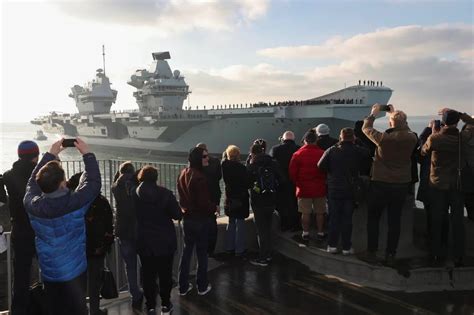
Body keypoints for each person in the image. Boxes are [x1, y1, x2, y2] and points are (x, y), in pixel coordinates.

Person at [23, 138, 101, 315]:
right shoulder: (76, 203)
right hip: (76, 271)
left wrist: (50, 155)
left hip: (49, 272)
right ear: (62, 183)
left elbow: (31, 184)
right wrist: (87, 155)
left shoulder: (31, 205)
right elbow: (93, 184)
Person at [362, 104, 418, 264]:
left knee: (373, 219)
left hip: (380, 183)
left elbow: (366, 128)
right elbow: (404, 127)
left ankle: (371, 252)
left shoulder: (383, 139)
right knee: (395, 221)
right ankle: (390, 254)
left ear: (390, 124)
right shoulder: (412, 138)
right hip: (400, 184)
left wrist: (373, 114)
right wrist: (395, 114)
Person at [421, 109, 474, 266]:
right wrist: (460, 114)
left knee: (438, 220)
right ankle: (459, 255)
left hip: (438, 185)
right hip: (457, 185)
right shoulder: (462, 138)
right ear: (457, 122)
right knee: (458, 221)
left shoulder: (435, 138)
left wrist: (432, 132)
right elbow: (472, 123)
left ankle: (437, 254)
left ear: (443, 122)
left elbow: (424, 151)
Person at [133, 166, 182, 315]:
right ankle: (166, 304)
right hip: (164, 241)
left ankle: (150, 306)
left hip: (144, 241)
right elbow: (177, 215)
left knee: (148, 275)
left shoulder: (134, 194)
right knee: (165, 274)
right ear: (156, 177)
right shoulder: (165, 194)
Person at [318, 128, 370, 255]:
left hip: (334, 189)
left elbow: (320, 165)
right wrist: (358, 142)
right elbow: (368, 153)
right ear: (353, 138)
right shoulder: (358, 150)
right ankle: (347, 247)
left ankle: (332, 246)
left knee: (334, 218)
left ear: (340, 137)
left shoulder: (332, 150)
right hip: (350, 190)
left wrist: (331, 171)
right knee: (347, 220)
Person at [68, 172, 114, 315]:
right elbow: (108, 227)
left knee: (78, 283)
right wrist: (106, 246)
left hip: (78, 249)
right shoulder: (103, 202)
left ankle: (80, 310)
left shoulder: (74, 201)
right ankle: (95, 310)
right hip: (96, 250)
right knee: (94, 282)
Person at [2, 140, 39, 315]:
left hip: (20, 230)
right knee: (50, 270)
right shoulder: (40, 174)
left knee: (21, 275)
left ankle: (18, 310)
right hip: (41, 229)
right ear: (35, 155)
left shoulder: (8, 175)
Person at [177, 147, 217, 296]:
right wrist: (214, 207)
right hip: (200, 220)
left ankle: (182, 286)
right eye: (205, 156)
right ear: (198, 159)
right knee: (202, 253)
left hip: (187, 219)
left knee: (186, 253)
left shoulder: (183, 173)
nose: (208, 159)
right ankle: (202, 285)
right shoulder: (200, 177)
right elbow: (203, 203)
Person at [111, 161, 143, 311]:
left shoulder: (115, 186)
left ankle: (134, 292)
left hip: (123, 229)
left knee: (129, 264)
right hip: (138, 228)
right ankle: (147, 287)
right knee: (144, 260)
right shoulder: (136, 186)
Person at [247, 143, 281, 267]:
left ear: (252, 153)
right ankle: (269, 253)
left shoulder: (253, 166)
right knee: (269, 227)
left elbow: (246, 182)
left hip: (258, 202)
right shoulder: (273, 162)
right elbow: (281, 179)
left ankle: (263, 257)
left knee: (261, 230)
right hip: (271, 200)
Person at [289, 130, 327, 242]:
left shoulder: (297, 154)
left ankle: (305, 233)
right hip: (320, 188)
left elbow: (292, 173)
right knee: (320, 212)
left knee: (305, 213)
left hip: (303, 188)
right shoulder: (323, 153)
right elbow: (326, 170)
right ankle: (320, 232)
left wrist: (298, 183)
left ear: (305, 141)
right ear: (316, 141)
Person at [221, 145, 250, 257]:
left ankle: (229, 247)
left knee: (231, 222)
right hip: (240, 198)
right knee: (240, 224)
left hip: (229, 198)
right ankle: (239, 249)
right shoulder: (241, 168)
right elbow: (246, 183)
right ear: (238, 155)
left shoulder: (224, 166)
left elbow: (224, 159)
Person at [269, 131, 300, 231]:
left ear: (283, 139)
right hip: (295, 182)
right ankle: (296, 225)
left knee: (281, 205)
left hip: (280, 182)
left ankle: (283, 225)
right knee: (295, 204)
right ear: (293, 139)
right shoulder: (299, 149)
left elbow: (270, 163)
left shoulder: (275, 149)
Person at [196, 143, 222, 256]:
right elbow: (219, 176)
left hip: (201, 197)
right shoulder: (215, 161)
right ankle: (211, 250)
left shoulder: (196, 163)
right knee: (212, 222)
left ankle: (202, 249)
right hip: (214, 195)